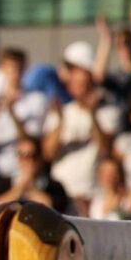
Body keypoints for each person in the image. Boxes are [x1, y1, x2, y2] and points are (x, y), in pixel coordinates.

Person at [42, 41, 123, 215]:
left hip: (92, 194)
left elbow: (106, 149)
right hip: (61, 196)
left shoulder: (108, 111)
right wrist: (60, 122)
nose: (75, 83)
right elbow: (48, 153)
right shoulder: (61, 112)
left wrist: (93, 115)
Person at [0, 49, 49, 187]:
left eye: (19, 69)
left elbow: (32, 144)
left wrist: (12, 113)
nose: (15, 75)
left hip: (23, 176)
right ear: (2, 69)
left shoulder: (37, 100)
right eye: (11, 69)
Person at [0, 135, 70, 214]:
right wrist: (19, 188)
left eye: (32, 156)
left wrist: (31, 189)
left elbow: (53, 209)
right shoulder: (3, 184)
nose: (27, 161)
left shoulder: (54, 186)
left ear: (40, 158)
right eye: (22, 156)